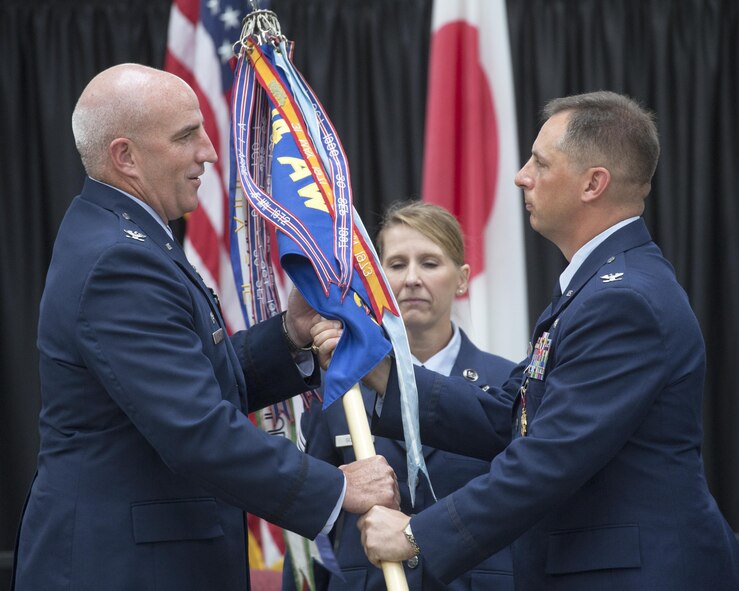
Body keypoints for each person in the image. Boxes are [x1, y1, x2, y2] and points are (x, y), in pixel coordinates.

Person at [312, 91, 739, 590]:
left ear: (593, 184)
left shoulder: (624, 300)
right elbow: (507, 418)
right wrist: (382, 370)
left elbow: (550, 457)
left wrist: (417, 534)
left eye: (539, 162)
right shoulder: (595, 286)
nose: (521, 176)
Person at [11, 63, 399, 591]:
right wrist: (333, 486)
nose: (210, 152)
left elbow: (189, 374)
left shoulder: (123, 235)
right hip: (124, 568)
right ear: (125, 156)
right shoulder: (119, 260)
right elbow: (194, 427)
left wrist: (287, 336)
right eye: (186, 135)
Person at [282, 202, 516, 590]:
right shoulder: (343, 388)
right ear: (376, 280)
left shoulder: (507, 385)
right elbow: (311, 526)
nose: (411, 279)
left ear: (461, 279)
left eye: (429, 263)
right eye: (395, 264)